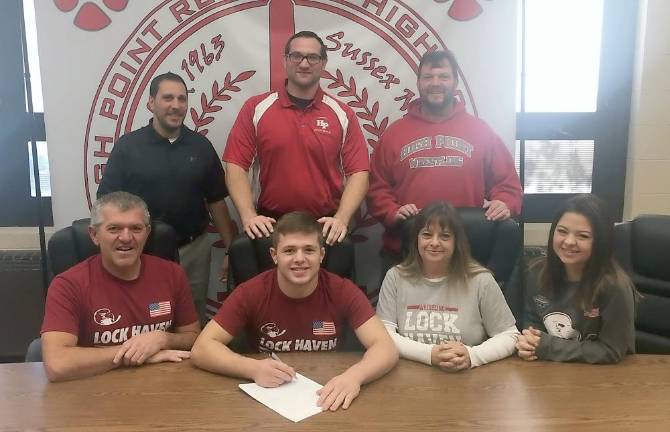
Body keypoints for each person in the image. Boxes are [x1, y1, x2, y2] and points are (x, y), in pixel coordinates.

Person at [191, 212, 398, 411]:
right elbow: (202, 348)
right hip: (268, 396)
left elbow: (385, 347)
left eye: (309, 250)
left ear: (321, 254)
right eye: (289, 250)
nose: (299, 259)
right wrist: (251, 368)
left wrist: (354, 377)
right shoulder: (250, 291)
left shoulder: (343, 290)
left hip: (328, 393)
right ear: (274, 255)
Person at [97, 72, 237, 324]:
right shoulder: (128, 147)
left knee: (191, 318)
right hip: (142, 251)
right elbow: (107, 202)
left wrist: (232, 249)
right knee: (143, 317)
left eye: (182, 99)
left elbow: (217, 201)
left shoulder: (201, 147)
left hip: (192, 250)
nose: (176, 105)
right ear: (151, 103)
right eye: (167, 98)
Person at [367, 50, 522, 270]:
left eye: (443, 77)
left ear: (456, 82)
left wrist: (504, 203)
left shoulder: (481, 131)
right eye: (428, 77)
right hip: (407, 255)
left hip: (466, 254)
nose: (435, 83)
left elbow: (508, 185)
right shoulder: (394, 134)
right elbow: (376, 189)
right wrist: (392, 211)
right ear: (419, 82)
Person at [223, 31, 369, 245]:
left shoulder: (343, 114)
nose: (304, 64)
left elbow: (359, 173)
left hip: (324, 227)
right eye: (296, 56)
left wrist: (341, 219)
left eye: (312, 57)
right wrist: (248, 216)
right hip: (270, 226)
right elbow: (235, 165)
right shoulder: (255, 108)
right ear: (285, 60)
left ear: (323, 63)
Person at [41, 192, 200, 382]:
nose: (126, 237)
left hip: (161, 386)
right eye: (114, 228)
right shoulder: (68, 285)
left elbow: (193, 338)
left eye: (136, 228)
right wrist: (135, 354)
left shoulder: (172, 274)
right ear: (94, 235)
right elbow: (57, 364)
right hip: (93, 391)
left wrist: (163, 339)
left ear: (147, 233)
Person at [376, 201, 519, 371]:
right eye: (427, 235)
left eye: (445, 236)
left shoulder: (481, 279)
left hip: (467, 378)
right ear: (416, 239)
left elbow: (510, 335)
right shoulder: (396, 277)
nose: (434, 243)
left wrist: (472, 356)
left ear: (456, 242)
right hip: (409, 377)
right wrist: (430, 354)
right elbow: (383, 335)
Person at [516, 194, 637, 364]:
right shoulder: (536, 271)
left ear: (600, 242)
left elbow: (611, 350)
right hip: (548, 370)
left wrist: (546, 346)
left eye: (583, 236)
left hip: (601, 378)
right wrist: (529, 343)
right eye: (562, 231)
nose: (569, 241)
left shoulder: (614, 286)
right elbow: (532, 322)